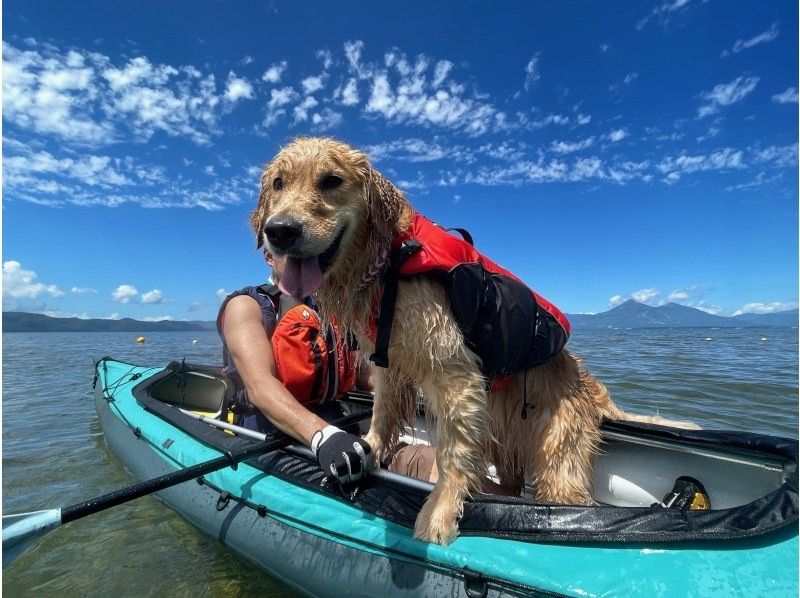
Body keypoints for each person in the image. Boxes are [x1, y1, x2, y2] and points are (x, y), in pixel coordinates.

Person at [217, 250, 373, 484]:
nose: (305, 263)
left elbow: (364, 374)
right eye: (294, 254)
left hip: (338, 427)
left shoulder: (329, 310)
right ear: (269, 258)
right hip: (272, 437)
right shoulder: (245, 306)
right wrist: (323, 436)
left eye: (311, 256)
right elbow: (260, 385)